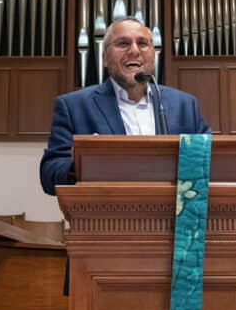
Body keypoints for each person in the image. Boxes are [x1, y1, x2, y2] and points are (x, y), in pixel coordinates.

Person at [39, 17, 210, 195]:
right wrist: (81, 164)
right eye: (123, 44)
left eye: (142, 43)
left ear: (153, 54)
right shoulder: (73, 106)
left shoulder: (185, 105)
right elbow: (49, 174)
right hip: (107, 210)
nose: (134, 51)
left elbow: (211, 159)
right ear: (105, 58)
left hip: (172, 211)